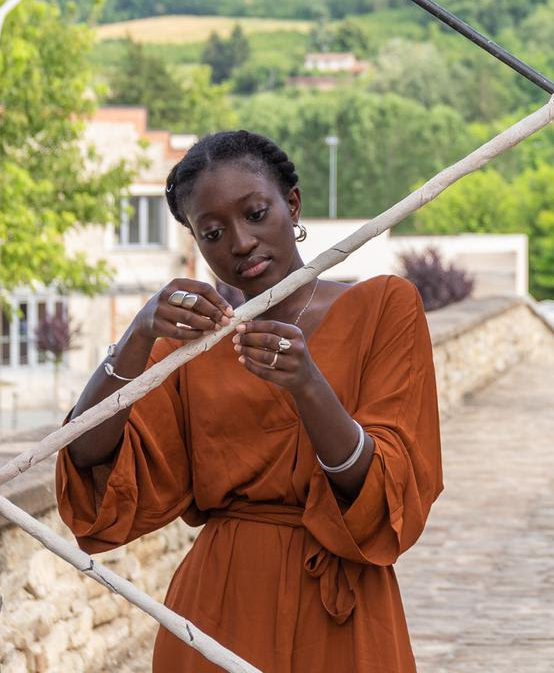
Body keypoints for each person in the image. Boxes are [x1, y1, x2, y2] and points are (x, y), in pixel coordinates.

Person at [54, 131, 442, 672]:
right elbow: (92, 464)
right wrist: (139, 335)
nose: (239, 242)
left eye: (256, 213)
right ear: (196, 241)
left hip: (344, 604)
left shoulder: (383, 308)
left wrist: (308, 385)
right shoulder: (192, 344)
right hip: (219, 607)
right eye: (212, 232)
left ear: (293, 204)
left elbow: (391, 492)